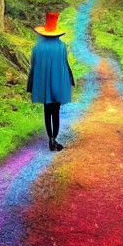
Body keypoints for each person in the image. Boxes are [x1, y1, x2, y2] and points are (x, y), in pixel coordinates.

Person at [27, 12, 75, 151]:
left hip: (44, 85)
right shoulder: (62, 47)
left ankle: (51, 139)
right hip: (59, 82)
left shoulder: (37, 47)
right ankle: (55, 138)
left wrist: (32, 84)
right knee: (56, 110)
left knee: (47, 110)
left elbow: (34, 67)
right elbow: (64, 65)